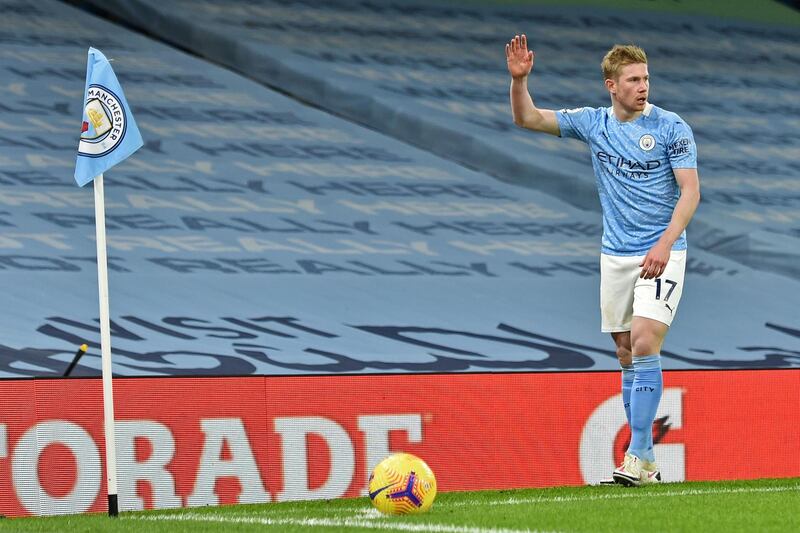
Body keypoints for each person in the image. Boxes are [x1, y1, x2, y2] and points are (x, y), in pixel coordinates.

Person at [505, 35, 700, 486]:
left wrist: (666, 244)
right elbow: (527, 117)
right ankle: (647, 462)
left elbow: (690, 191)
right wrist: (520, 81)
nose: (643, 86)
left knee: (646, 341)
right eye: (633, 79)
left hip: (663, 250)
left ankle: (635, 453)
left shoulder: (672, 128)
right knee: (626, 351)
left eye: (646, 78)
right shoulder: (594, 123)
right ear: (611, 85)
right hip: (616, 255)